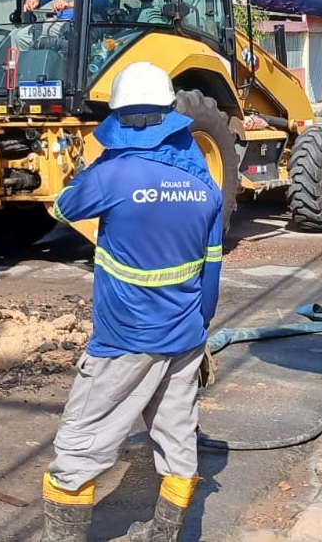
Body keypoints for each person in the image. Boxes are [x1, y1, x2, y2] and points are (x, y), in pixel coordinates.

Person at [40, 61, 224, 542]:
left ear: (120, 118)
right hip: (185, 337)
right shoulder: (204, 185)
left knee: (79, 447)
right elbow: (211, 271)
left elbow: (62, 208)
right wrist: (200, 331)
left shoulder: (113, 175)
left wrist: (89, 169)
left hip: (124, 340)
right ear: (170, 113)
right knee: (177, 442)